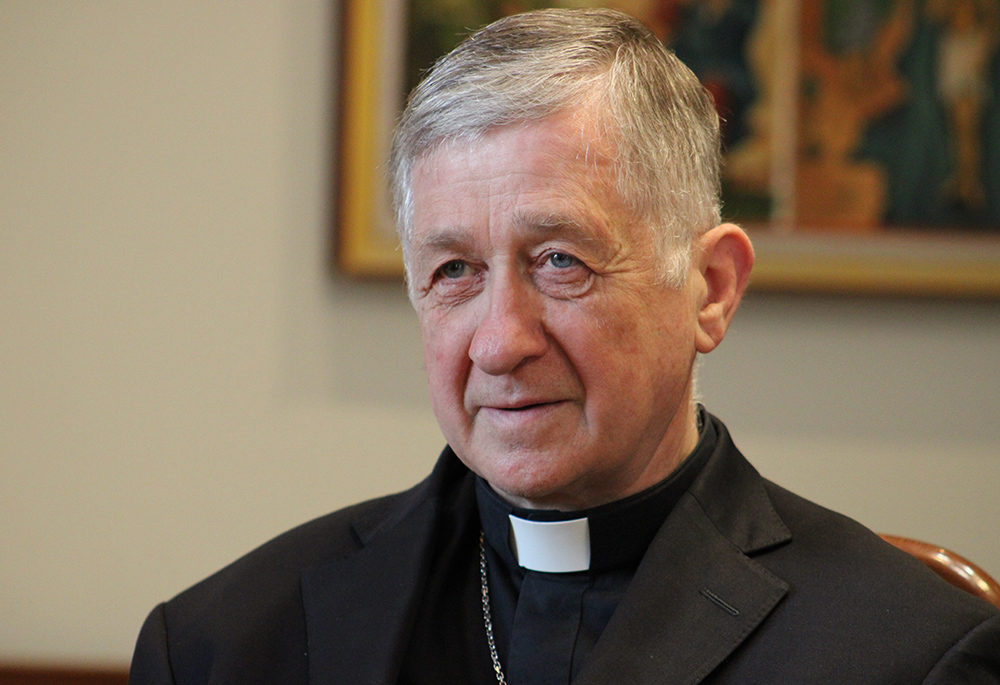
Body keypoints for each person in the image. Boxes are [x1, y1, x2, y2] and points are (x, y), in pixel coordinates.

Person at [128, 8, 1000, 684]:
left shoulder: (910, 655)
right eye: (454, 270)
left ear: (712, 289)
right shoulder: (221, 645)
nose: (501, 343)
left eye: (559, 261)